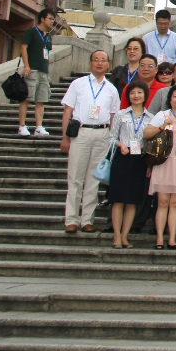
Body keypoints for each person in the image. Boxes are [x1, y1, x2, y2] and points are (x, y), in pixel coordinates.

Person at [60, 49, 121, 233]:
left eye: (103, 60)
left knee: (93, 180)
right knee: (75, 178)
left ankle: (87, 220)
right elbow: (67, 111)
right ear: (90, 63)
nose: (99, 63)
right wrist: (65, 137)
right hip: (81, 132)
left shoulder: (111, 89)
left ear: (108, 64)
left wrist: (112, 139)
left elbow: (114, 116)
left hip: (102, 134)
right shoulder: (78, 84)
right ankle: (71, 219)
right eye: (96, 60)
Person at [144, 84, 176, 249]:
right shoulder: (163, 114)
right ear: (170, 99)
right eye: (175, 96)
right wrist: (162, 126)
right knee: (163, 202)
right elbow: (146, 134)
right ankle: (160, 238)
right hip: (165, 163)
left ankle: (172, 239)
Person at [107, 79, 150, 248]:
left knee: (132, 201)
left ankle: (125, 236)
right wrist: (120, 145)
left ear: (145, 95)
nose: (136, 95)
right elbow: (111, 137)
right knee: (118, 200)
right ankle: (116, 236)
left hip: (139, 160)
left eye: (139, 92)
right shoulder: (121, 114)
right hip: (123, 157)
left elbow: (150, 142)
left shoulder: (151, 117)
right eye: (132, 93)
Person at [18, 8, 57, 136]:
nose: (52, 21)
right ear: (42, 18)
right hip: (32, 69)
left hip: (44, 71)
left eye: (53, 19)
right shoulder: (31, 32)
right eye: (50, 18)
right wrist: (26, 66)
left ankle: (39, 127)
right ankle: (22, 126)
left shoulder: (48, 36)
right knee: (27, 98)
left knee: (41, 100)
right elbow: (23, 47)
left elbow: (47, 53)